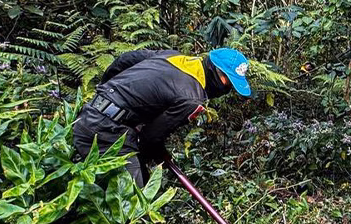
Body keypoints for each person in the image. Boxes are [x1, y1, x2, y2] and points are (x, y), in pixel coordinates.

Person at [72, 48, 251, 186]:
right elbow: (150, 138)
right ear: (214, 71)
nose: (227, 88)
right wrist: (158, 154)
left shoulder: (173, 56)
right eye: (227, 82)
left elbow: (125, 59)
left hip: (90, 115)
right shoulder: (192, 98)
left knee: (139, 180)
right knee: (133, 204)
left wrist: (106, 91)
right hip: (106, 132)